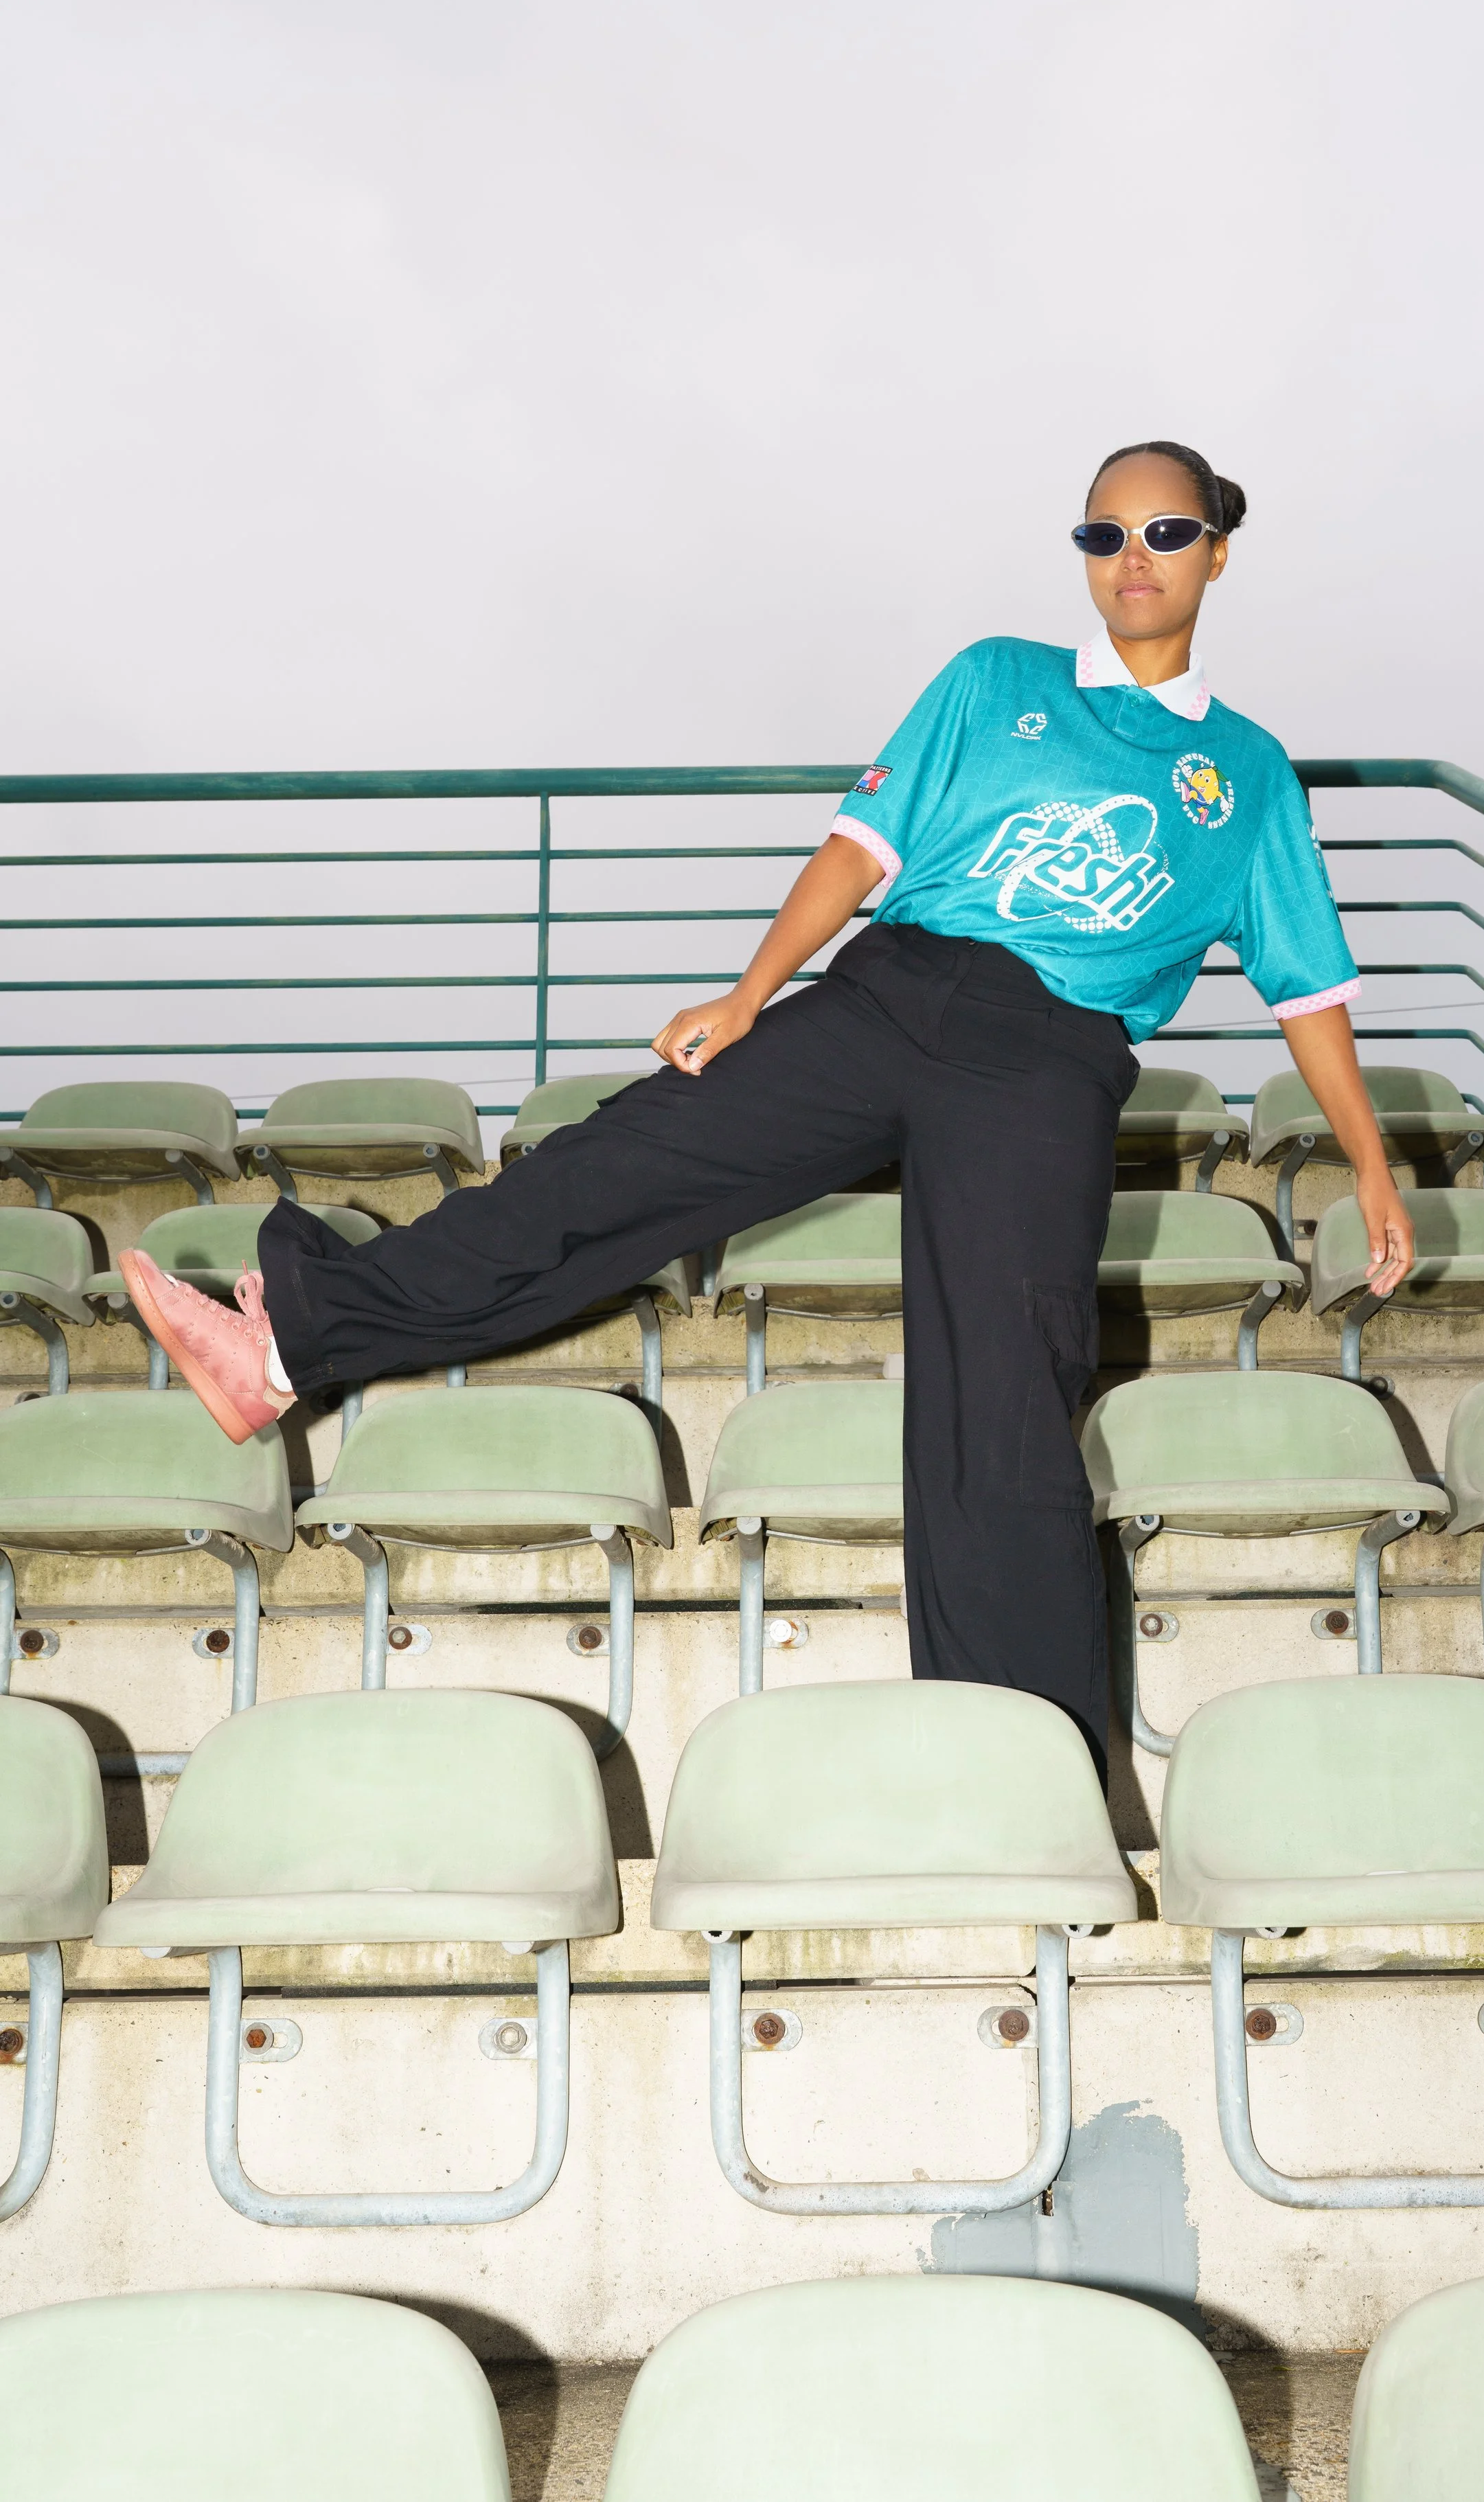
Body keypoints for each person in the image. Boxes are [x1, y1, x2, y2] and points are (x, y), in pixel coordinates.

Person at [124, 438, 1414, 1775]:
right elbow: (863, 847)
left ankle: (1018, 1774)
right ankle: (285, 1349)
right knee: (610, 1163)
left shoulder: (1250, 775)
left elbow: (1305, 990)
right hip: (892, 994)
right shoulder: (995, 680)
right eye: (1102, 537)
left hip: (1047, 1058)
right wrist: (749, 992)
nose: (1129, 562)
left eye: (1161, 533)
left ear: (1215, 547)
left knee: (1006, 1403)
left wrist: (1366, 1170)